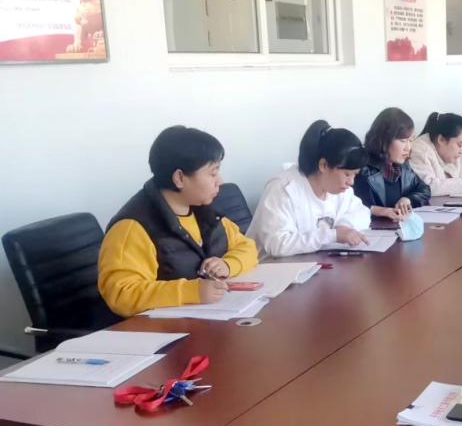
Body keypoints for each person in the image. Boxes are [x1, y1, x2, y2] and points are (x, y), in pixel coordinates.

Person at [98, 126, 258, 316]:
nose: (220, 181)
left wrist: (228, 265)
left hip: (208, 319)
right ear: (180, 178)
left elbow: (248, 247)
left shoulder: (203, 211)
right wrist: (191, 291)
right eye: (213, 173)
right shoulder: (133, 227)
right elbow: (122, 294)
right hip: (161, 329)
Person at [248, 121, 371, 258]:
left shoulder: (339, 190)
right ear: (324, 165)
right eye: (347, 174)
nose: (351, 182)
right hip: (269, 267)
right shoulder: (283, 188)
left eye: (355, 174)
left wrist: (345, 226)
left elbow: (362, 211)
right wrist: (333, 235)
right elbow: (277, 244)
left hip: (310, 264)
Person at [354, 108, 432, 219]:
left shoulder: (401, 167)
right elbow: (349, 206)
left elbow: (424, 190)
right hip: (370, 228)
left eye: (411, 140)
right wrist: (379, 211)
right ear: (383, 139)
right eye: (403, 141)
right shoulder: (362, 169)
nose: (408, 148)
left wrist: (408, 199)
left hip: (398, 226)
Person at [409, 112, 462, 196]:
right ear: (441, 140)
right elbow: (426, 187)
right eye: (460, 145)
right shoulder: (419, 150)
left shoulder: (454, 152)